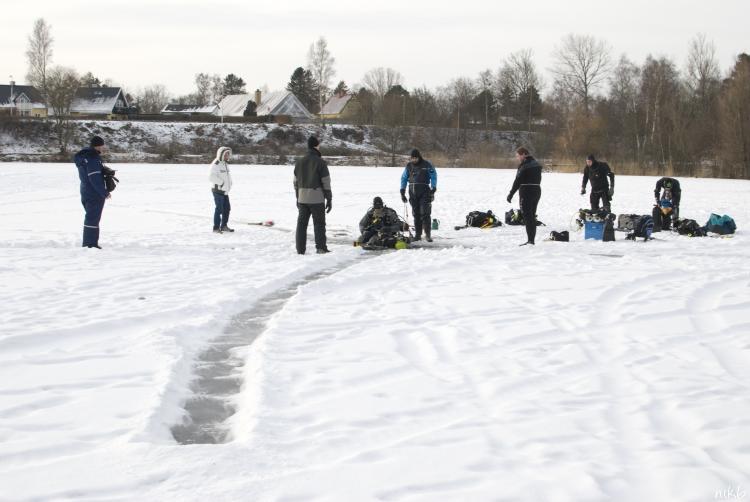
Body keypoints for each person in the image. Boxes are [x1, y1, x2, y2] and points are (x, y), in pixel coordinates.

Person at [294, 136, 332, 254]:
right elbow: (326, 182)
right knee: (319, 224)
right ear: (316, 146)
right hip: (316, 199)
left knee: (301, 224)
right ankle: (321, 248)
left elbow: (295, 182)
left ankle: (300, 249)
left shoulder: (299, 162)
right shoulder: (320, 162)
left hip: (302, 198)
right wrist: (329, 199)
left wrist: (298, 197)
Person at [74, 135, 111, 249]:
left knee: (91, 217)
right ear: (98, 146)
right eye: (102, 145)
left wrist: (102, 170)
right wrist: (104, 192)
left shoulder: (84, 156)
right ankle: (90, 244)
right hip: (93, 193)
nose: (103, 147)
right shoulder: (93, 158)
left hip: (85, 190)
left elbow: (89, 174)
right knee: (92, 218)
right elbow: (94, 178)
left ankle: (89, 242)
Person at [506, 147, 542, 246]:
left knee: (527, 217)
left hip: (526, 191)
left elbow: (517, 181)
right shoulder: (537, 164)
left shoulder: (524, 165)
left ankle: (530, 241)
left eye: (518, 156)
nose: (517, 158)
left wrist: (511, 193)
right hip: (537, 190)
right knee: (532, 215)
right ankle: (531, 240)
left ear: (523, 154)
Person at [399, 148, 437, 242]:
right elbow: (404, 178)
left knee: (425, 213)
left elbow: (433, 175)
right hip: (412, 191)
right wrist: (402, 191)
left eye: (415, 158)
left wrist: (433, 187)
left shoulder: (427, 164)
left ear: (419, 157)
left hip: (424, 190)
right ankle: (418, 235)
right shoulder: (409, 166)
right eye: (412, 158)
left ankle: (428, 235)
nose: (414, 160)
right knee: (416, 214)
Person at [209, 146, 234, 233]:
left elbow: (227, 176)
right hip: (218, 191)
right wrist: (222, 183)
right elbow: (211, 177)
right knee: (219, 209)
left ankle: (224, 226)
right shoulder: (216, 164)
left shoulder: (225, 164)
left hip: (225, 191)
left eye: (228, 154)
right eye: (226, 154)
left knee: (227, 209)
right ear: (221, 154)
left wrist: (230, 183)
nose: (227, 155)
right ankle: (216, 228)